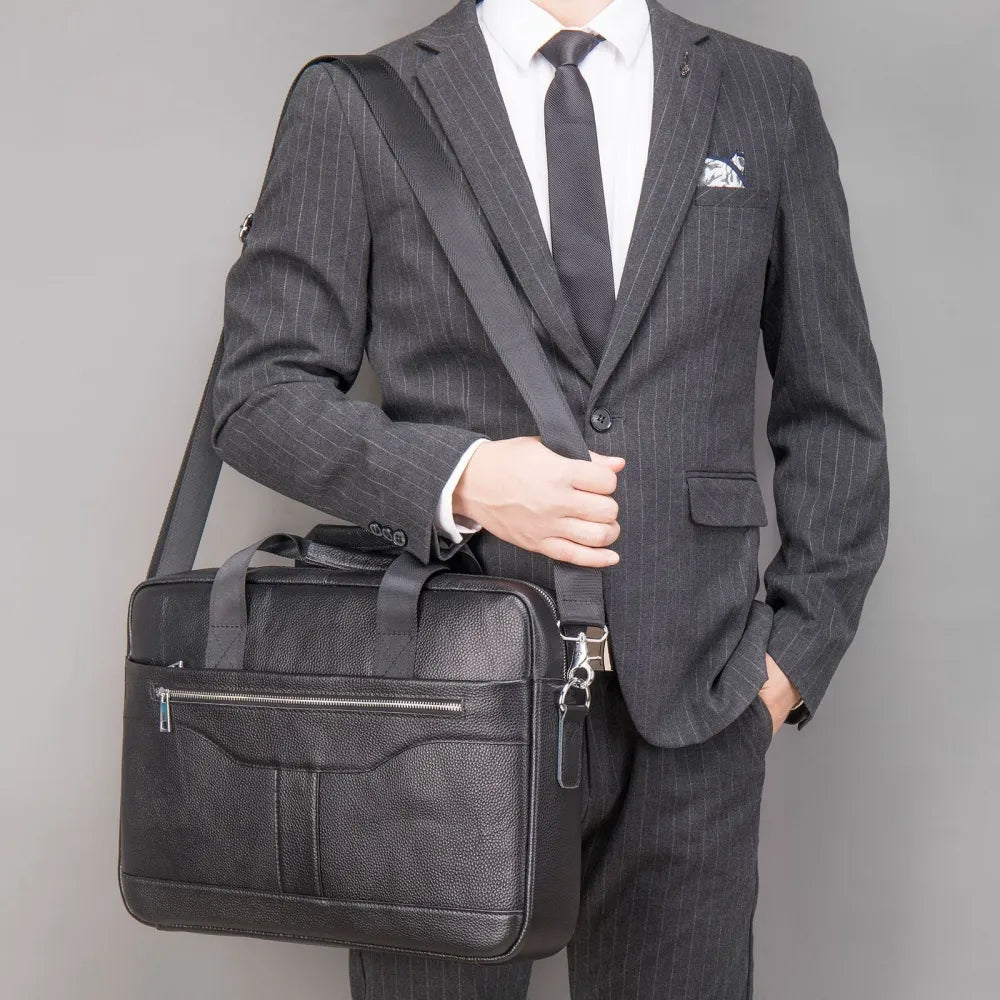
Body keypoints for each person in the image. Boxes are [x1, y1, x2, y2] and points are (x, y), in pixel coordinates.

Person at [210, 0, 890, 996]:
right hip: (443, 712)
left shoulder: (765, 94)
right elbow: (257, 393)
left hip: (700, 710)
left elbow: (834, 404)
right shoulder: (358, 102)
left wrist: (790, 661)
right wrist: (467, 479)